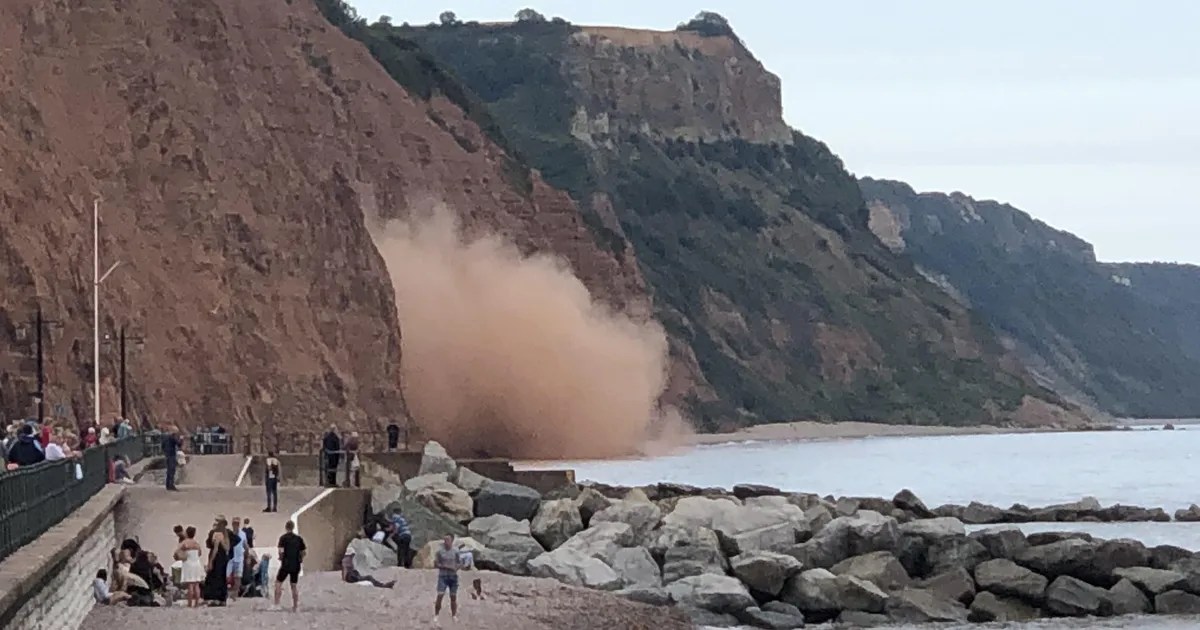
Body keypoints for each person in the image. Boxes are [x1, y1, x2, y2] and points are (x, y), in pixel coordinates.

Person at [273, 520, 306, 612]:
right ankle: (295, 606)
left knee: (278, 583)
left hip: (286, 564)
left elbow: (281, 551)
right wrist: (300, 559)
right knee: (294, 585)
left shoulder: (283, 538)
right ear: (293, 527)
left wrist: (281, 558)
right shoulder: (299, 539)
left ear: (286, 527)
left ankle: (277, 604)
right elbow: (303, 552)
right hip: (296, 564)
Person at [433, 535, 462, 622]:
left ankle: (454, 615)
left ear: (452, 541)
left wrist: (456, 568)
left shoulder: (456, 551)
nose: (446, 542)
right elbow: (436, 563)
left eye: (448, 540)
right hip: (443, 576)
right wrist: (445, 566)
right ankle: (436, 615)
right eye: (445, 540)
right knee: (440, 595)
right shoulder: (440, 551)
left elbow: (459, 563)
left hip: (453, 576)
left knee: (453, 597)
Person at [176, 526, 204, 608]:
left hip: (189, 563)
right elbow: (200, 553)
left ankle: (190, 603)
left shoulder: (185, 542)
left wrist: (182, 555)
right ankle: (197, 603)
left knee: (190, 585)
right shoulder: (196, 543)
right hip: (196, 562)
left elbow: (177, 550)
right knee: (196, 584)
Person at [203, 529, 231, 605]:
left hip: (217, 558)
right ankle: (222, 599)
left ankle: (214, 598)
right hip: (223, 558)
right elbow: (227, 548)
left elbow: (215, 549)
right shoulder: (225, 535)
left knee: (214, 577)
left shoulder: (216, 534)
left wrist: (211, 561)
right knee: (222, 577)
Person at [227, 517, 246, 600]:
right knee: (227, 575)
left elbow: (245, 545)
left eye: (237, 523)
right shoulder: (229, 533)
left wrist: (247, 555)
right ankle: (226, 593)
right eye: (234, 523)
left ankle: (235, 594)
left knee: (238, 576)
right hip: (231, 557)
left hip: (239, 557)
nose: (236, 525)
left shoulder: (243, 534)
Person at [161, 426, 181, 491]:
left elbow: (162, 445)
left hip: (167, 454)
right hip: (172, 454)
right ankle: (171, 485)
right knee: (172, 470)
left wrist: (165, 451)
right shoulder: (172, 437)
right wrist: (181, 439)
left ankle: (168, 485)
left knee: (169, 470)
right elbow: (178, 444)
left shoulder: (165, 437)